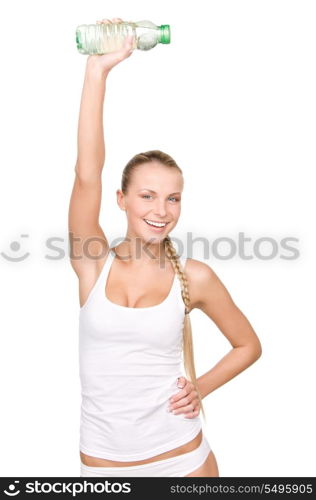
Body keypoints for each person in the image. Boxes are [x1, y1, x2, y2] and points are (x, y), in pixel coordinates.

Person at [68, 18, 262, 477]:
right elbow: (86, 174)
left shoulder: (193, 277)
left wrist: (199, 387)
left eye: (172, 197)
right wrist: (97, 73)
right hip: (104, 470)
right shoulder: (92, 263)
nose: (162, 209)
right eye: (147, 195)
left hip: (184, 460)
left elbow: (247, 345)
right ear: (122, 200)